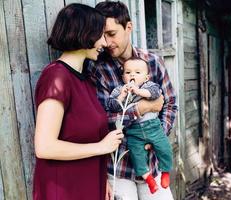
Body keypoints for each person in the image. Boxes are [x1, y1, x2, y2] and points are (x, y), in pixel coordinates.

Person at [86, 1, 178, 200]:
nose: (107, 42)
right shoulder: (97, 71)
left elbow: (170, 104)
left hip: (151, 162)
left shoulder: (153, 62)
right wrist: (141, 108)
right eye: (102, 36)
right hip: (118, 169)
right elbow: (103, 120)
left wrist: (157, 135)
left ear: (128, 27)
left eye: (111, 34)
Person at [33, 4, 124, 200]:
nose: (106, 42)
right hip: (64, 189)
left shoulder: (86, 79)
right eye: (101, 35)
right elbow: (44, 146)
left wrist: (102, 180)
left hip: (88, 184)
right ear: (86, 34)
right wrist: (102, 146)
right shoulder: (56, 77)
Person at [107, 58, 173, 194]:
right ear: (123, 76)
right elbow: (111, 106)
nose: (132, 75)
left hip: (153, 127)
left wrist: (137, 91)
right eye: (128, 72)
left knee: (164, 148)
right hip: (133, 132)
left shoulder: (148, 86)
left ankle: (165, 171)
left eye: (137, 72)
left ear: (146, 77)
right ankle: (149, 179)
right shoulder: (118, 90)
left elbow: (154, 94)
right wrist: (121, 96)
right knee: (137, 156)